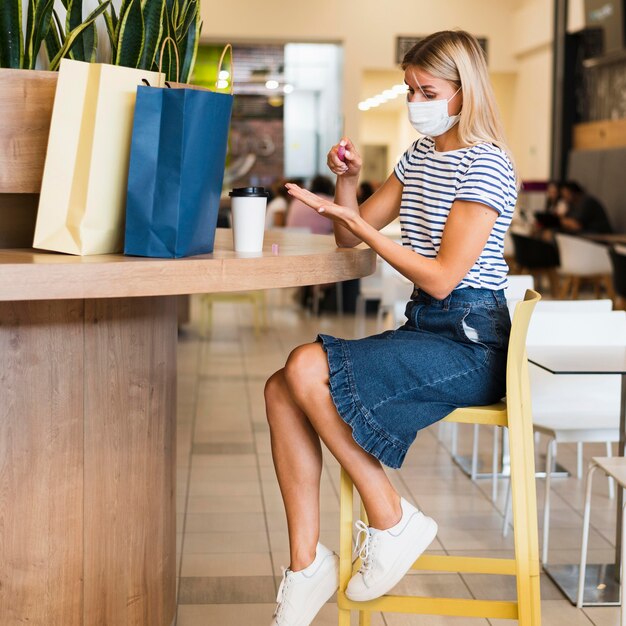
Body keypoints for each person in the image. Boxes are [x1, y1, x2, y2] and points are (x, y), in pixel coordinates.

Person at [264, 30, 517, 626]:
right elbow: (352, 234)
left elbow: (442, 278)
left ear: (464, 91)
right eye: (409, 88)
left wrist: (370, 229)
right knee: (282, 387)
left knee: (303, 365)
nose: (415, 99)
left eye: (426, 90)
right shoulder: (420, 156)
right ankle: (306, 568)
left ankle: (393, 517)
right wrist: (347, 186)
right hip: (427, 329)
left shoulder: (487, 164)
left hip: (472, 342)